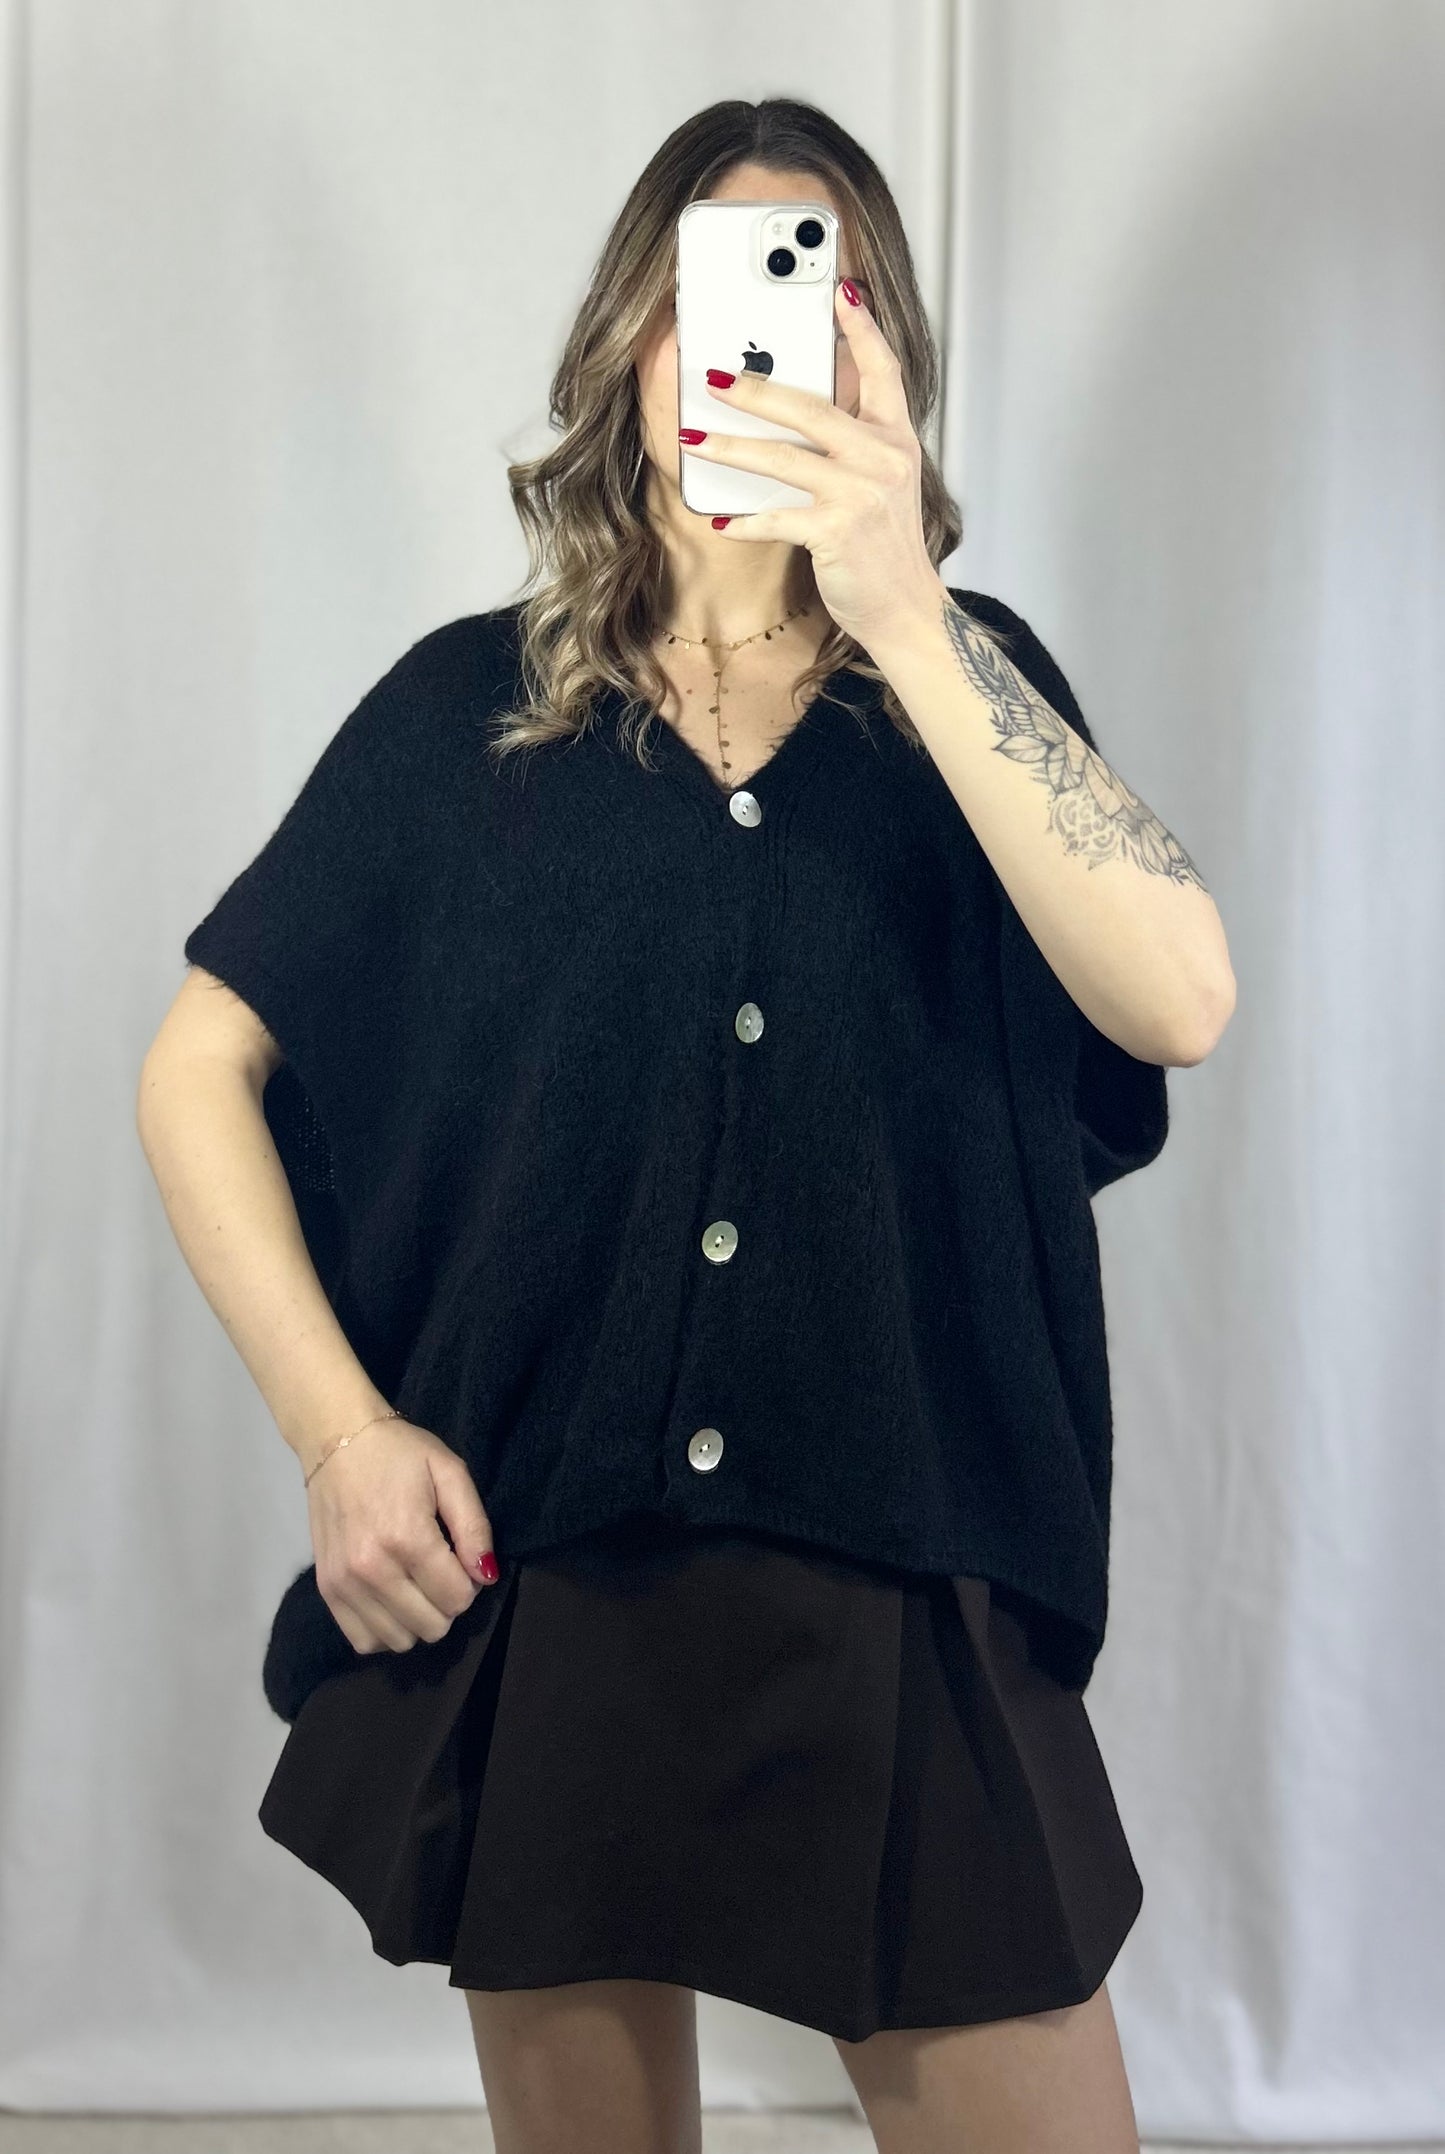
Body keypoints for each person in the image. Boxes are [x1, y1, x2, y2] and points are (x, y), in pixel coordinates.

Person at [138, 96, 1234, 2154]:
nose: (743, 347)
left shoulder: (973, 697)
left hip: (908, 1573)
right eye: (702, 298)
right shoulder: (467, 715)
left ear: (879, 359)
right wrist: (340, 1433)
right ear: (629, 350)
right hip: (551, 1584)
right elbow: (196, 1065)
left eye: (810, 299)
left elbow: (1176, 994)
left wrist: (905, 613)